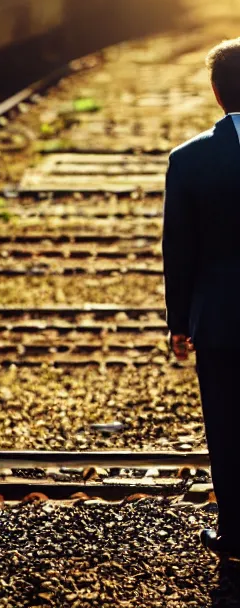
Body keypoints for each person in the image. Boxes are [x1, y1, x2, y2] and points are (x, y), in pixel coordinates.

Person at [163, 37, 240, 557]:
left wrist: (178, 321)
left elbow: (179, 248)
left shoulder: (188, 160)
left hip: (219, 319)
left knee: (229, 427)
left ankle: (237, 534)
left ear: (216, 94)